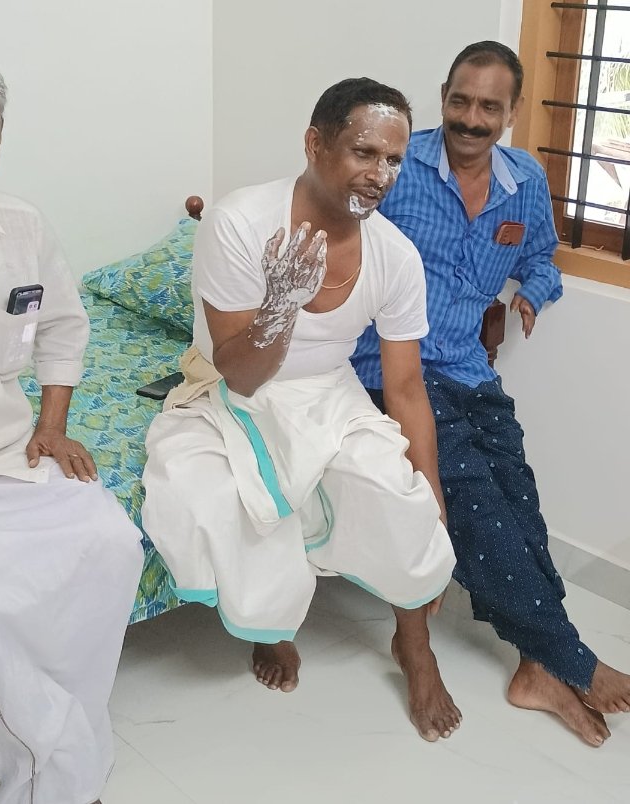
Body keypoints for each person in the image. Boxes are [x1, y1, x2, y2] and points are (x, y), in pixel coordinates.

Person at [142, 78, 462, 742]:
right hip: (233, 387)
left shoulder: (395, 256)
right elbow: (241, 372)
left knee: (400, 498)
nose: (380, 175)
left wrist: (429, 487)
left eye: (394, 160)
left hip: (330, 393)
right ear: (316, 144)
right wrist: (282, 304)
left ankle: (415, 648)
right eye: (364, 152)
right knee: (232, 500)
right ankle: (274, 627)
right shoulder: (239, 222)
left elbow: (405, 387)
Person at [352, 40, 630, 747]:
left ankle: (536, 667)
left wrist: (532, 291)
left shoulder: (524, 180)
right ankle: (572, 658)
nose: (470, 119)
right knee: (475, 500)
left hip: (470, 369)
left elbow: (539, 254)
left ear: (510, 112)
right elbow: (339, 235)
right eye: (459, 101)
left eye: (488, 106)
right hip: (391, 366)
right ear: (443, 97)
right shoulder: (397, 166)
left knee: (519, 498)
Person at [0, 48, 144, 803]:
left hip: (13, 452)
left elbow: (64, 326)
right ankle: (52, 763)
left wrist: (54, 422)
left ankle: (61, 722)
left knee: (112, 545)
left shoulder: (22, 226)